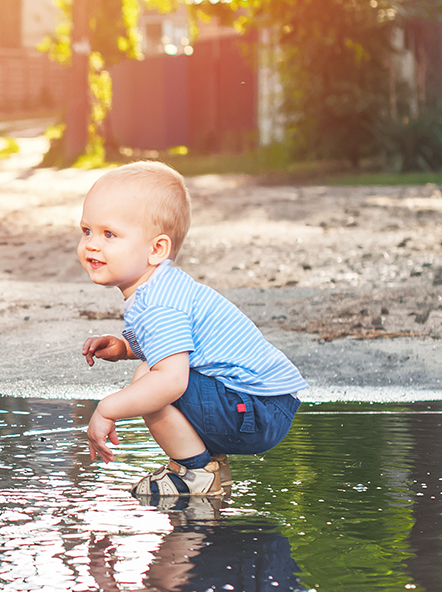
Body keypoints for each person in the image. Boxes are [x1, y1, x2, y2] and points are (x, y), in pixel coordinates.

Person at [77, 161, 306, 500]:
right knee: (150, 369)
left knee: (149, 379)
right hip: (263, 404)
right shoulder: (160, 288)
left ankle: (195, 472)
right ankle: (211, 467)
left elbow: (172, 380)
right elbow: (176, 343)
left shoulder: (158, 302)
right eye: (86, 231)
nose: (92, 245)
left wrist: (107, 408)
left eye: (109, 234)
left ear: (156, 249)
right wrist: (125, 347)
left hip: (258, 409)